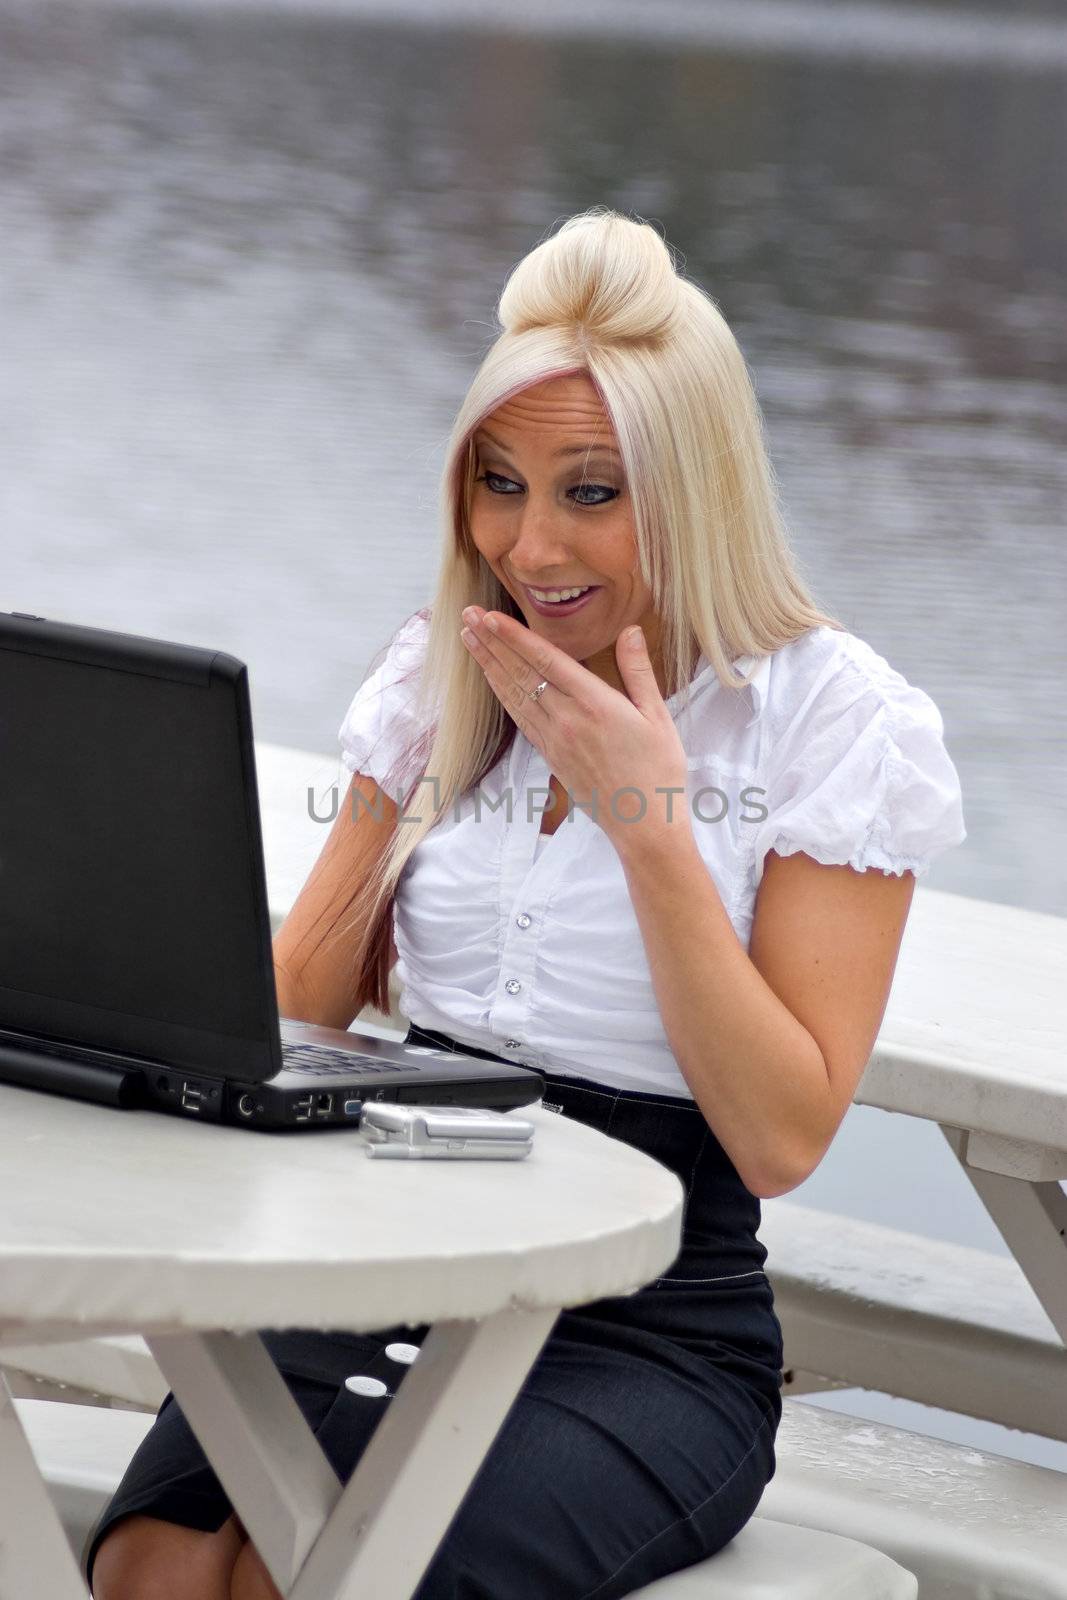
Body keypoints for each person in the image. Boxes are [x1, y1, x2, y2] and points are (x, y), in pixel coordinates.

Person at [88, 207, 966, 1599]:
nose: (528, 542)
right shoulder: (442, 673)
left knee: (293, 1579)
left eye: (590, 491)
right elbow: (298, 994)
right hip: (380, 1250)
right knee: (147, 1566)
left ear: (698, 488)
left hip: (642, 1329)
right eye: (496, 482)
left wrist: (649, 825)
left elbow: (786, 1133)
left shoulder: (834, 726)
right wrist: (105, 948)